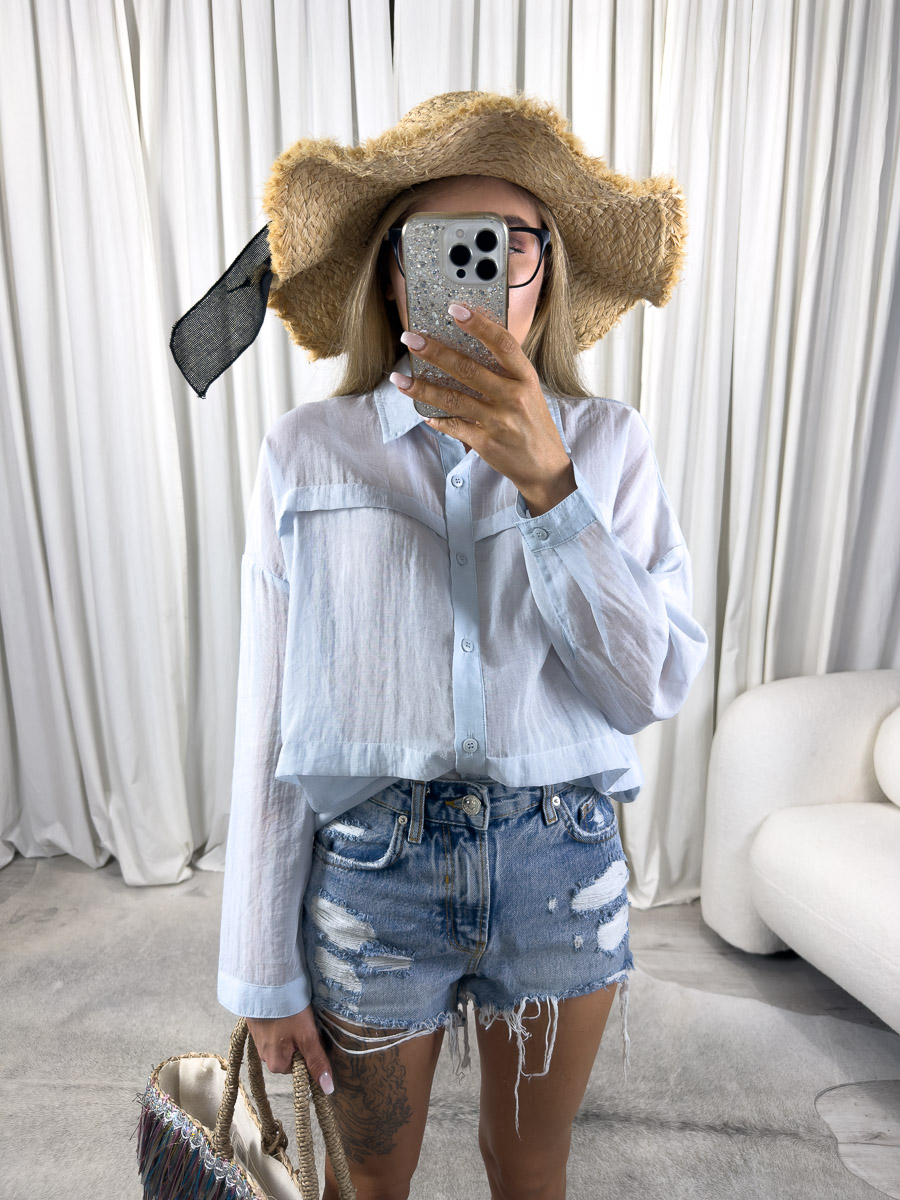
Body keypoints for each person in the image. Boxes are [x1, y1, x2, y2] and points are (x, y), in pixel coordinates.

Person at [217, 91, 708, 1200]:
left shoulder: (611, 445)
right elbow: (269, 720)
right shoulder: (305, 451)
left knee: (529, 1169)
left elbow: (648, 685)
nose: (478, 268)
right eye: (437, 244)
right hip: (372, 876)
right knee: (366, 1182)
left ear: (545, 273)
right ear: (394, 276)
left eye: (507, 241)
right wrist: (259, 968)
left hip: (562, 865)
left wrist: (551, 486)